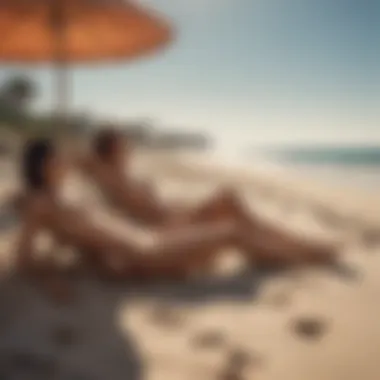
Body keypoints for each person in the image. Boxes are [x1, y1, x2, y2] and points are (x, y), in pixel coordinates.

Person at [15, 138, 337, 284]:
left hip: (149, 239)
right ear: (43, 166)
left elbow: (78, 235)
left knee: (233, 227)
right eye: (57, 158)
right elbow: (22, 257)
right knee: (232, 232)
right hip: (147, 251)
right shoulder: (40, 202)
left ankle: (301, 249)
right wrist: (51, 277)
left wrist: (80, 255)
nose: (65, 162)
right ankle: (306, 255)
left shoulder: (61, 196)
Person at [80, 128, 339, 264]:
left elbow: (150, 204)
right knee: (230, 203)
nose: (130, 148)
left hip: (172, 218)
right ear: (113, 148)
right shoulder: (110, 177)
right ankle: (300, 249)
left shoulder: (119, 175)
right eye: (124, 144)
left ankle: (294, 245)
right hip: (166, 229)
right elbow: (80, 161)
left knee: (232, 202)